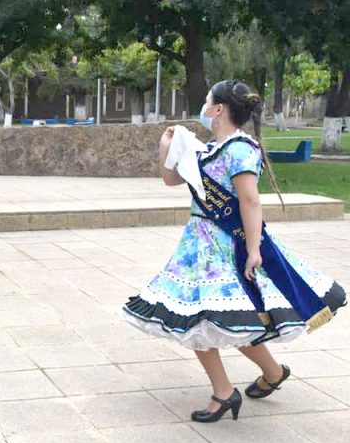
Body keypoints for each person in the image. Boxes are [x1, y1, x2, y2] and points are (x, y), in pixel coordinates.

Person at [122, 79, 346, 423]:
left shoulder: (240, 148)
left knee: (206, 321)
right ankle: (272, 373)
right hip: (198, 247)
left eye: (207, 101)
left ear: (219, 109)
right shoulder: (208, 148)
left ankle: (224, 393)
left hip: (228, 249)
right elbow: (171, 180)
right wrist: (165, 147)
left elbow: (250, 200)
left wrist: (254, 249)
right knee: (230, 322)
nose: (203, 107)